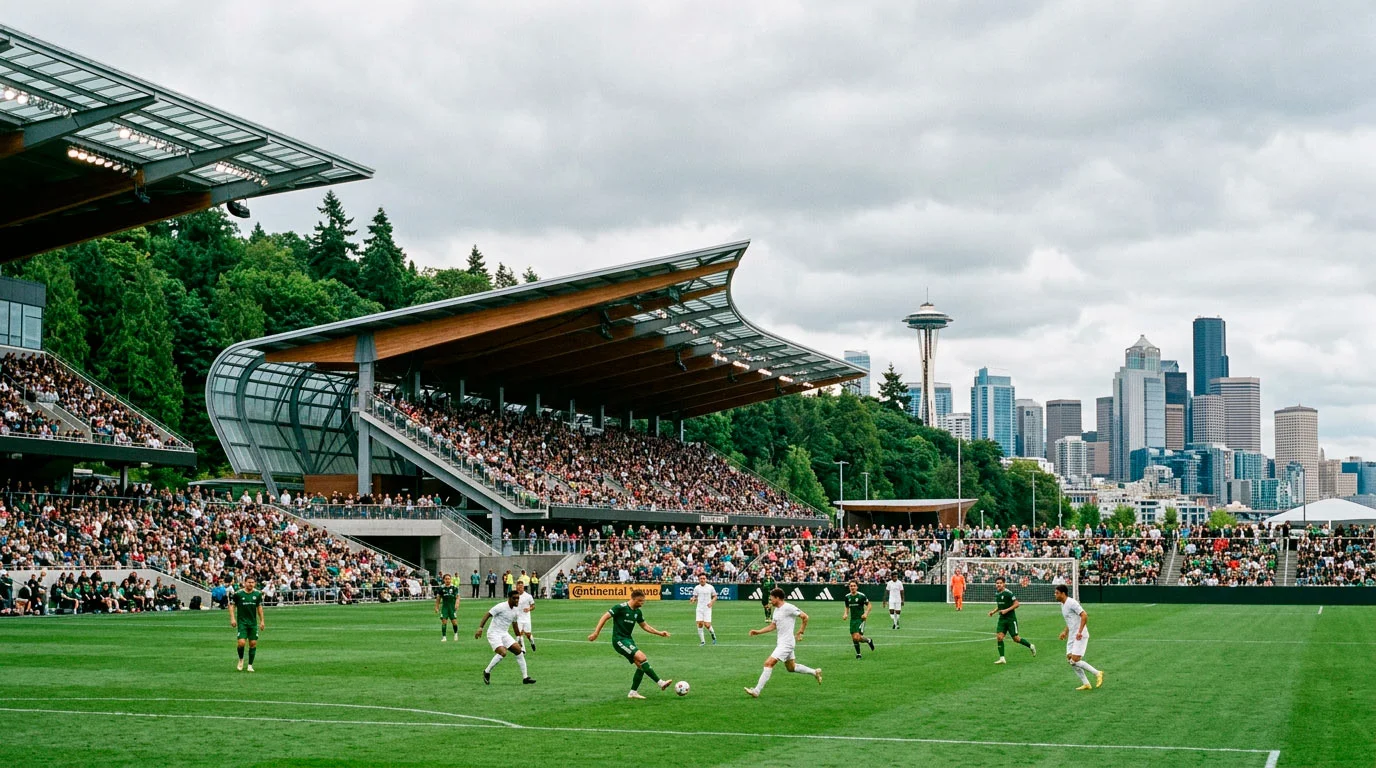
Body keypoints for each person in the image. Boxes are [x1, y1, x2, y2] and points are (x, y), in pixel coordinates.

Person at [588, 589, 673, 700]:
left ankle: (633, 692)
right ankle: (661, 683)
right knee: (642, 657)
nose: (642, 603)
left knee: (641, 666)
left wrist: (660, 633)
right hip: (619, 640)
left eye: (643, 601)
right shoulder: (620, 608)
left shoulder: (637, 612)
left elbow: (645, 626)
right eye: (640, 601)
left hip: (628, 640)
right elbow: (605, 617)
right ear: (633, 599)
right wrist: (596, 633)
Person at [745, 588, 821, 697]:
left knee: (768, 663)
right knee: (791, 668)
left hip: (787, 643)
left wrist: (801, 632)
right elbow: (773, 626)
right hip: (782, 643)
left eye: (772, 598)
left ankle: (756, 691)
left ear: (777, 598)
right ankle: (814, 672)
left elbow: (805, 617)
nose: (770, 600)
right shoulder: (776, 610)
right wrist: (758, 632)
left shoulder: (788, 607)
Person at [474, 592, 535, 685]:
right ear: (509, 598)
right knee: (503, 652)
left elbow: (514, 624)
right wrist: (480, 628)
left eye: (518, 598)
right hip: (493, 633)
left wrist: (519, 637)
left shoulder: (516, 610)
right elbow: (488, 614)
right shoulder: (501, 606)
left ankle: (525, 678)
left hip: (504, 634)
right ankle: (487, 671)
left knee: (519, 651)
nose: (517, 600)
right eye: (514, 598)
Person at [1055, 584, 1103, 691]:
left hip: (1079, 635)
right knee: (1070, 658)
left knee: (1075, 659)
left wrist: (1080, 631)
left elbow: (1084, 615)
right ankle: (1086, 683)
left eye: (1057, 593)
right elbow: (1071, 620)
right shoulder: (1062, 605)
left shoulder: (1072, 603)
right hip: (1072, 635)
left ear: (1063, 593)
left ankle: (1097, 673)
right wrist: (1065, 632)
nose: (1055, 595)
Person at [988, 576, 1035, 664]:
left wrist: (1006, 610)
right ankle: (1002, 658)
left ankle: (1030, 646)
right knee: (999, 637)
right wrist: (993, 612)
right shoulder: (997, 594)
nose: (998, 585)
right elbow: (1000, 606)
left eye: (1000, 583)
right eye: (997, 583)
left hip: (1011, 619)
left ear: (1004, 584)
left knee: (1016, 639)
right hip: (1002, 619)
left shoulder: (1008, 593)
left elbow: (1017, 604)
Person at [230, 577, 266, 672]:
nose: (251, 584)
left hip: (253, 623)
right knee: (241, 643)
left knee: (253, 643)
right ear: (245, 583)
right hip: (242, 622)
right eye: (249, 582)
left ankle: (250, 665)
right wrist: (232, 618)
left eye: (253, 582)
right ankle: (241, 659)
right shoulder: (238, 594)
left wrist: (262, 621)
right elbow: (232, 606)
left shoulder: (257, 594)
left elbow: (259, 608)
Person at [841, 581, 875, 659]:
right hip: (853, 620)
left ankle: (859, 653)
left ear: (857, 587)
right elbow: (847, 606)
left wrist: (865, 614)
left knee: (857, 637)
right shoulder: (847, 597)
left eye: (854, 586)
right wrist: (845, 614)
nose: (852, 587)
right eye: (851, 586)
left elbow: (869, 605)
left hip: (861, 619)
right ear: (849, 587)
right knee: (854, 638)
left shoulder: (861, 596)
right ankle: (864, 646)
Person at [689, 574, 718, 646]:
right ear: (699, 580)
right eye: (701, 578)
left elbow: (715, 596)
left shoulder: (710, 587)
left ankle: (713, 635)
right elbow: (695, 597)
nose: (702, 580)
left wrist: (711, 602)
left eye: (704, 578)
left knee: (707, 625)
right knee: (700, 624)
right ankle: (702, 641)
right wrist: (693, 599)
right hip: (699, 608)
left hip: (707, 608)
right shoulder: (697, 588)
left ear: (706, 579)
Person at [435, 574, 461, 642]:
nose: (447, 580)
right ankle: (444, 637)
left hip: (452, 607)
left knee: (454, 622)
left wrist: (457, 604)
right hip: (445, 607)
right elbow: (438, 598)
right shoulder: (441, 588)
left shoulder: (454, 588)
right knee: (444, 621)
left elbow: (458, 597)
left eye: (449, 579)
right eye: (446, 579)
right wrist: (437, 607)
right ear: (444, 580)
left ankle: (455, 634)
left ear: (451, 579)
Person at [515, 581, 536, 651]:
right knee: (519, 634)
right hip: (518, 618)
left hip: (526, 618)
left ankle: (532, 642)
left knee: (528, 634)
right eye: (518, 587)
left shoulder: (528, 596)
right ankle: (523, 650)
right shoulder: (514, 596)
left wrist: (529, 609)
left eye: (521, 587)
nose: (520, 588)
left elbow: (533, 606)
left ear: (523, 587)